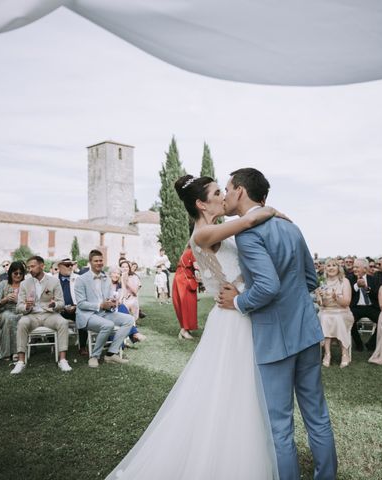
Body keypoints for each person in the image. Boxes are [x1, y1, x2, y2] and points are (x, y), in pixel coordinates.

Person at [106, 173, 285, 480]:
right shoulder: (201, 234)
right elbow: (246, 223)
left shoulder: (215, 229)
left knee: (235, 391)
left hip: (237, 313)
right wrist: (267, 211)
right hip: (232, 320)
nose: (222, 196)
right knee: (232, 391)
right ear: (202, 204)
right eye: (217, 192)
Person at [218, 168, 337, 480]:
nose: (226, 195)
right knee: (317, 415)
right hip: (308, 331)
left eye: (228, 189)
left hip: (276, 340)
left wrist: (239, 301)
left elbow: (268, 286)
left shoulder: (247, 232)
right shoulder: (290, 226)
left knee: (280, 425)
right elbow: (311, 279)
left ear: (241, 191)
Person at [10, 256, 72, 374]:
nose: (30, 270)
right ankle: (21, 361)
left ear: (42, 266)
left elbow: (61, 303)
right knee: (22, 322)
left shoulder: (54, 281)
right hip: (32, 315)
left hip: (49, 314)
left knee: (63, 322)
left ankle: (63, 360)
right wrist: (26, 307)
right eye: (28, 267)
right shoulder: (24, 283)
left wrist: (54, 305)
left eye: (32, 266)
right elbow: (19, 307)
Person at [74, 249, 134, 368]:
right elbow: (81, 304)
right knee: (108, 325)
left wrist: (111, 302)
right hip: (87, 316)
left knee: (129, 320)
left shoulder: (106, 278)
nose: (99, 263)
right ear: (90, 262)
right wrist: (100, 305)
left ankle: (111, 353)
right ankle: (95, 356)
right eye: (96, 261)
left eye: (101, 260)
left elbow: (106, 298)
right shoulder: (81, 279)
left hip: (104, 313)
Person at [316, 258, 354, 368]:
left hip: (342, 311)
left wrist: (335, 297)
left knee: (337, 318)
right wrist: (319, 296)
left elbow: (346, 302)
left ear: (338, 268)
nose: (331, 268)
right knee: (324, 318)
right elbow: (321, 304)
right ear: (325, 269)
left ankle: (345, 353)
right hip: (326, 311)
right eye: (328, 266)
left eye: (334, 265)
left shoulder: (345, 281)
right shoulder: (323, 282)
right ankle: (327, 354)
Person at [0, 261, 26, 360]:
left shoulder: (25, 285)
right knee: (9, 317)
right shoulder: (3, 284)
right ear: (10, 273)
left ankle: (18, 351)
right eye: (16, 273)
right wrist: (5, 299)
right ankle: (7, 352)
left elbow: (30, 302)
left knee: (20, 318)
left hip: (21, 311)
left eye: (21, 273)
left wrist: (18, 301)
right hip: (4, 311)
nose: (18, 275)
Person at [347, 258, 382, 352]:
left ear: (365, 269)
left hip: (371, 307)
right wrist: (356, 286)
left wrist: (367, 288)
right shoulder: (349, 279)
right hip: (356, 307)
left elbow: (377, 295)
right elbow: (348, 294)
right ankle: (359, 344)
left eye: (357, 267)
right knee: (348, 319)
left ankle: (371, 344)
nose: (354, 269)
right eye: (354, 267)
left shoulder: (374, 279)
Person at [56, 258, 86, 355]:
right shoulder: (52, 279)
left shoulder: (78, 278)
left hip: (76, 309)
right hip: (58, 310)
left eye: (71, 265)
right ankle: (58, 347)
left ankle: (82, 346)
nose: (70, 267)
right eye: (67, 265)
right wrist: (61, 306)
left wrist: (76, 306)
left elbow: (84, 296)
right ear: (59, 266)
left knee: (83, 317)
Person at [173, 246, 200, 340]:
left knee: (182, 304)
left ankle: (185, 328)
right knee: (187, 304)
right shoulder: (193, 252)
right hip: (185, 280)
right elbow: (197, 266)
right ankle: (184, 330)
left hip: (179, 278)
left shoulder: (186, 251)